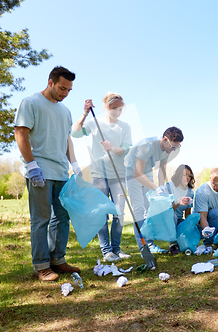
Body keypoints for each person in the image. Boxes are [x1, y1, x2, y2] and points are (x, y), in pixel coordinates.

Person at [14, 66, 81, 282]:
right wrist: (31, 165)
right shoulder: (31, 102)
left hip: (61, 171)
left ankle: (57, 259)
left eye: (69, 90)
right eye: (62, 88)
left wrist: (75, 163)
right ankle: (42, 265)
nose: (65, 93)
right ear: (50, 82)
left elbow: (67, 139)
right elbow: (20, 132)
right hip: (39, 171)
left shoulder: (65, 111)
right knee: (41, 219)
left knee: (62, 217)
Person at [71, 93, 132, 262]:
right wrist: (84, 113)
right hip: (99, 174)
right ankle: (107, 252)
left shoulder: (125, 127)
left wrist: (112, 148)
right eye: (114, 108)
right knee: (101, 214)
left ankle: (117, 249)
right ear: (106, 107)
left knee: (119, 213)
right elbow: (75, 133)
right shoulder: (93, 123)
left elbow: (126, 149)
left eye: (120, 109)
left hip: (119, 174)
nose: (117, 112)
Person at [125, 127, 184, 253]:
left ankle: (150, 245)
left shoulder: (166, 150)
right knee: (138, 210)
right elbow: (137, 172)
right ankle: (143, 247)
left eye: (176, 148)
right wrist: (155, 188)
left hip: (147, 172)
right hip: (132, 174)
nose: (173, 150)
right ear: (165, 139)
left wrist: (161, 186)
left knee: (149, 210)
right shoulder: (147, 146)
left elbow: (162, 169)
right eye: (173, 147)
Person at [165, 164, 195, 254]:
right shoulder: (169, 187)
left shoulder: (190, 192)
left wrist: (189, 225)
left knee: (189, 222)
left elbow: (187, 214)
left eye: (189, 176)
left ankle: (181, 241)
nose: (188, 178)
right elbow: (167, 209)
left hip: (178, 220)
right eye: (185, 175)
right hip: (166, 219)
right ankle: (172, 244)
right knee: (172, 215)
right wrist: (178, 202)